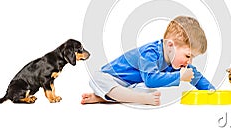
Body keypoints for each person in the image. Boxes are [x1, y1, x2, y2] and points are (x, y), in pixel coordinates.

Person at [81, 16, 215, 106]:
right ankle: (138, 99)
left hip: (129, 86)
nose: (190, 62)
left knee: (147, 89)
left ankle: (103, 97)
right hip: (110, 77)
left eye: (193, 58)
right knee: (97, 78)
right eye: (188, 56)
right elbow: (151, 79)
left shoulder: (175, 60)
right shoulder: (149, 53)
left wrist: (213, 93)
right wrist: (179, 76)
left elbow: (196, 76)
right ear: (170, 46)